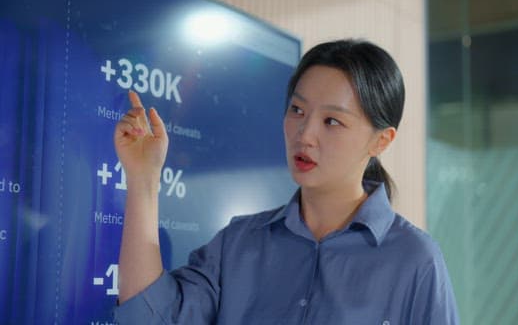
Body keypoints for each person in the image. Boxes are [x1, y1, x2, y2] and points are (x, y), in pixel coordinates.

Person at [113, 39, 459, 324]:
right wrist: (143, 179)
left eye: (332, 121)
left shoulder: (414, 260)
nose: (304, 134)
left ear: (381, 141)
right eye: (297, 111)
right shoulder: (238, 245)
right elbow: (150, 318)